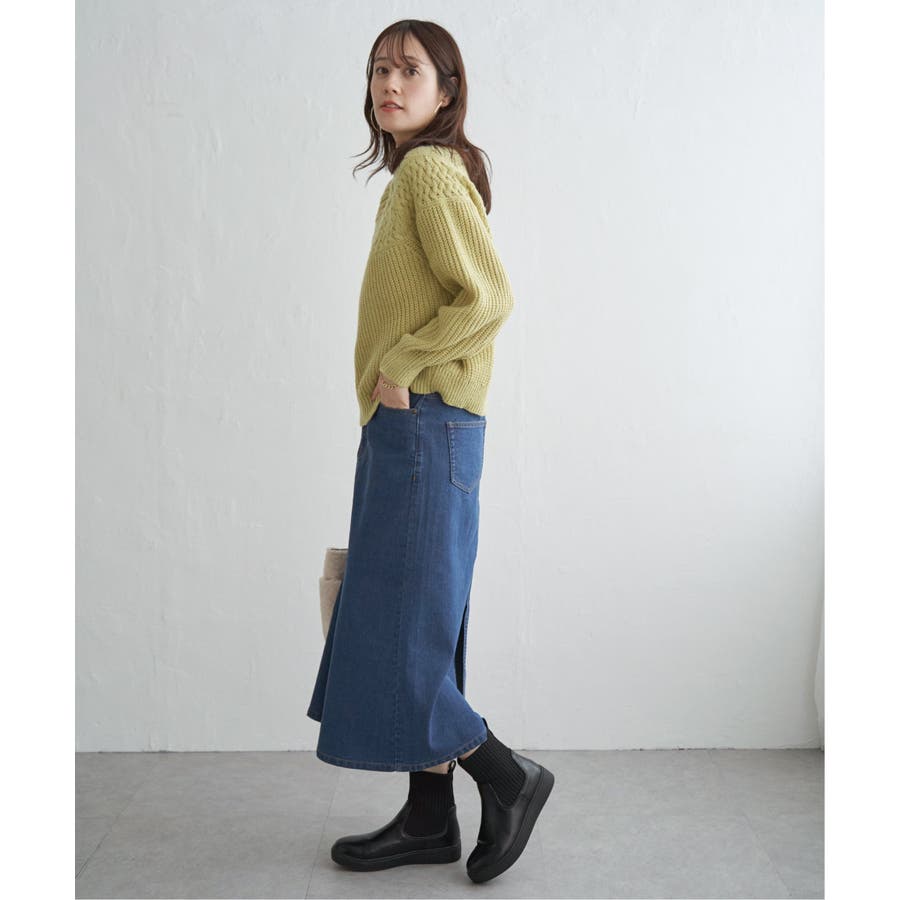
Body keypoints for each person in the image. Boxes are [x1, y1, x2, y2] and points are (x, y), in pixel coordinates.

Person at [306, 19, 554, 884]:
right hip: (415, 426)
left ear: (446, 90)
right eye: (379, 69)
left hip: (425, 421)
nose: (389, 83)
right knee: (418, 623)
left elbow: (489, 296)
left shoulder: (429, 172)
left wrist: (401, 366)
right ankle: (426, 819)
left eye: (409, 70)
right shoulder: (417, 175)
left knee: (399, 629)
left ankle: (507, 775)